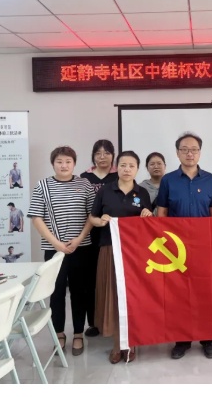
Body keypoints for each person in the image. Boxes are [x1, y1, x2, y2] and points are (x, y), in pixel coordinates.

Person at [156, 132, 212, 360]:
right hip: (177, 248)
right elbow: (162, 213)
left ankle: (208, 339)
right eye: (184, 149)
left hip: (204, 246)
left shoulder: (210, 179)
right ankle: (182, 340)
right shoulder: (168, 180)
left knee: (206, 292)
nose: (189, 153)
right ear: (177, 153)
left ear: (200, 153)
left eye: (194, 149)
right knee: (179, 294)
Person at [28, 146, 95, 356]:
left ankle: (78, 333)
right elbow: (36, 218)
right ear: (53, 164)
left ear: (74, 163)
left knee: (79, 291)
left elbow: (92, 216)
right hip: (54, 250)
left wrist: (79, 239)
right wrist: (56, 244)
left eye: (68, 161)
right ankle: (59, 334)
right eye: (59, 162)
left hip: (81, 247)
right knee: (56, 292)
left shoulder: (84, 184)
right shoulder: (43, 185)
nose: (64, 165)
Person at [87, 151, 152, 364]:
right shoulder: (106, 191)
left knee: (133, 296)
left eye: (131, 165)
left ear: (137, 169)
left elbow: (149, 222)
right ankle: (117, 344)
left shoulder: (142, 193)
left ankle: (131, 342)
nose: (127, 169)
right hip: (110, 248)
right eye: (123, 165)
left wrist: (148, 215)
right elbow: (92, 217)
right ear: (117, 167)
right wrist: (101, 221)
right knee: (114, 295)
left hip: (135, 253)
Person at [79, 139, 119, 338]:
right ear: (93, 156)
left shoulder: (119, 175)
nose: (102, 157)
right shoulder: (84, 177)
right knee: (90, 279)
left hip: (112, 236)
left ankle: (113, 321)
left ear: (113, 155)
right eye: (98, 153)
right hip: (89, 234)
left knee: (112, 279)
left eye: (107, 153)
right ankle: (94, 322)